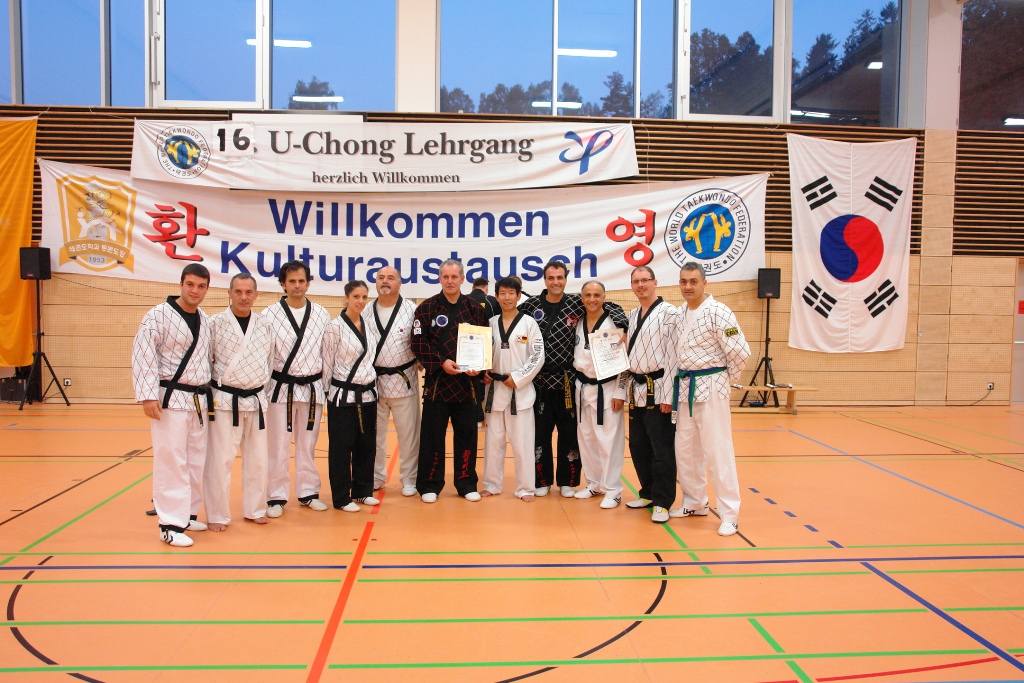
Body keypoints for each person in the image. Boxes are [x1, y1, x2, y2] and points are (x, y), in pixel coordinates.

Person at [519, 261, 627, 497]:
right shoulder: (530, 305)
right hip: (541, 380)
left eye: (560, 277)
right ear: (544, 280)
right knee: (540, 434)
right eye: (551, 278)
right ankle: (542, 480)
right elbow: (514, 322)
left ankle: (567, 481)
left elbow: (608, 305)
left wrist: (623, 324)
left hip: (568, 382)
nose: (555, 282)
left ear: (566, 279)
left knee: (571, 434)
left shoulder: (576, 303)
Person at [132, 263, 213, 547]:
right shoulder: (158, 316)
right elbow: (143, 355)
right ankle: (169, 524)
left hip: (198, 399)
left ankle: (187, 515)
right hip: (170, 398)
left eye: (201, 286)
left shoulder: (204, 319)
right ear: (181, 284)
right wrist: (147, 395)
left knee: (195, 460)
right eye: (190, 284)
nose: (195, 291)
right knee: (171, 460)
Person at [672, 262, 751, 536]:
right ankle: (695, 502)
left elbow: (740, 352)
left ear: (705, 283)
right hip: (686, 387)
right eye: (684, 281)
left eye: (693, 281)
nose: (688, 287)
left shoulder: (719, 311)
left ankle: (730, 513)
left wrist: (725, 379)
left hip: (712, 385)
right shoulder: (680, 313)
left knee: (717, 450)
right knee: (685, 450)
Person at [412, 259, 489, 502]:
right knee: (432, 437)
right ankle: (429, 485)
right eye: (445, 277)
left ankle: (466, 483)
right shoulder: (426, 308)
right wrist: (441, 362)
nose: (450, 281)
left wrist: (479, 367)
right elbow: (418, 343)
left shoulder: (475, 308)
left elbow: (484, 343)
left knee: (467, 435)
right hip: (437, 384)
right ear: (439, 278)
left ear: (462, 279)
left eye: (454, 277)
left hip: (467, 385)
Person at [204, 273, 275, 531]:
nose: (243, 297)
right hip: (225, 400)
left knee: (258, 460)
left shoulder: (265, 324)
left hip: (256, 399)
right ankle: (217, 515)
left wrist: (261, 389)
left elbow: (269, 361)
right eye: (238, 292)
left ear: (256, 294)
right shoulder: (215, 323)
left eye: (248, 292)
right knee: (220, 460)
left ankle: (255, 509)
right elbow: (206, 360)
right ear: (229, 293)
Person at [264, 260, 331, 516]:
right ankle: (276, 497)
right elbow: (265, 355)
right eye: (291, 281)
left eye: (301, 281)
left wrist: (327, 388)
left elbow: (328, 354)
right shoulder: (269, 315)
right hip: (281, 388)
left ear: (308, 283)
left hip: (312, 387)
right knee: (278, 444)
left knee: (308, 444)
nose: (297, 285)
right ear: (283, 284)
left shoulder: (321, 314)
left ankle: (308, 492)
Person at [481, 277, 544, 501]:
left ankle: (526, 487)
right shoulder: (490, 323)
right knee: (493, 442)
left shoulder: (529, 323)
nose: (507, 297)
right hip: (495, 390)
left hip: (520, 392)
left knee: (523, 443)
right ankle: (492, 484)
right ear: (496, 296)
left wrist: (518, 377)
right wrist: (483, 371)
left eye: (511, 293)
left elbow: (538, 355)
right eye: (503, 293)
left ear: (519, 296)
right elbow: (482, 353)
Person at [625, 266, 679, 523]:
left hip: (658, 390)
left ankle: (662, 501)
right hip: (636, 389)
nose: (640, 285)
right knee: (638, 446)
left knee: (662, 449)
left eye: (645, 280)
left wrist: (668, 396)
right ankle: (647, 492)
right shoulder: (632, 314)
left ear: (655, 282)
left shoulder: (670, 313)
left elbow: (673, 357)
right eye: (636, 281)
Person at [322, 280, 380, 512]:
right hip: (342, 396)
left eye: (364, 297)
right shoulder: (334, 327)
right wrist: (328, 394)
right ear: (346, 298)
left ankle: (362, 491)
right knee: (341, 448)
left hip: (367, 394)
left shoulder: (369, 325)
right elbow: (327, 363)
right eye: (356, 296)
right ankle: (341, 497)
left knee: (366, 445)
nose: (361, 301)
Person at [572, 281, 629, 509]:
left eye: (597, 295)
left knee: (608, 441)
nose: (592, 299)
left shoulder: (614, 322)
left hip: (607, 388)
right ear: (582, 298)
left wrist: (620, 392)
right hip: (582, 387)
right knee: (587, 439)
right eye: (588, 295)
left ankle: (612, 490)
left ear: (605, 297)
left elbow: (625, 361)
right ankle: (594, 483)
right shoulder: (578, 321)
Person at [364, 266, 420, 497]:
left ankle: (409, 478)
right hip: (373, 382)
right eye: (380, 278)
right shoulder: (366, 310)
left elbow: (421, 341)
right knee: (374, 435)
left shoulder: (412, 310)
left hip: (404, 380)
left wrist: (423, 359)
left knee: (408, 435)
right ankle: (376, 477)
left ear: (399, 283)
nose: (385, 281)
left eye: (390, 278)